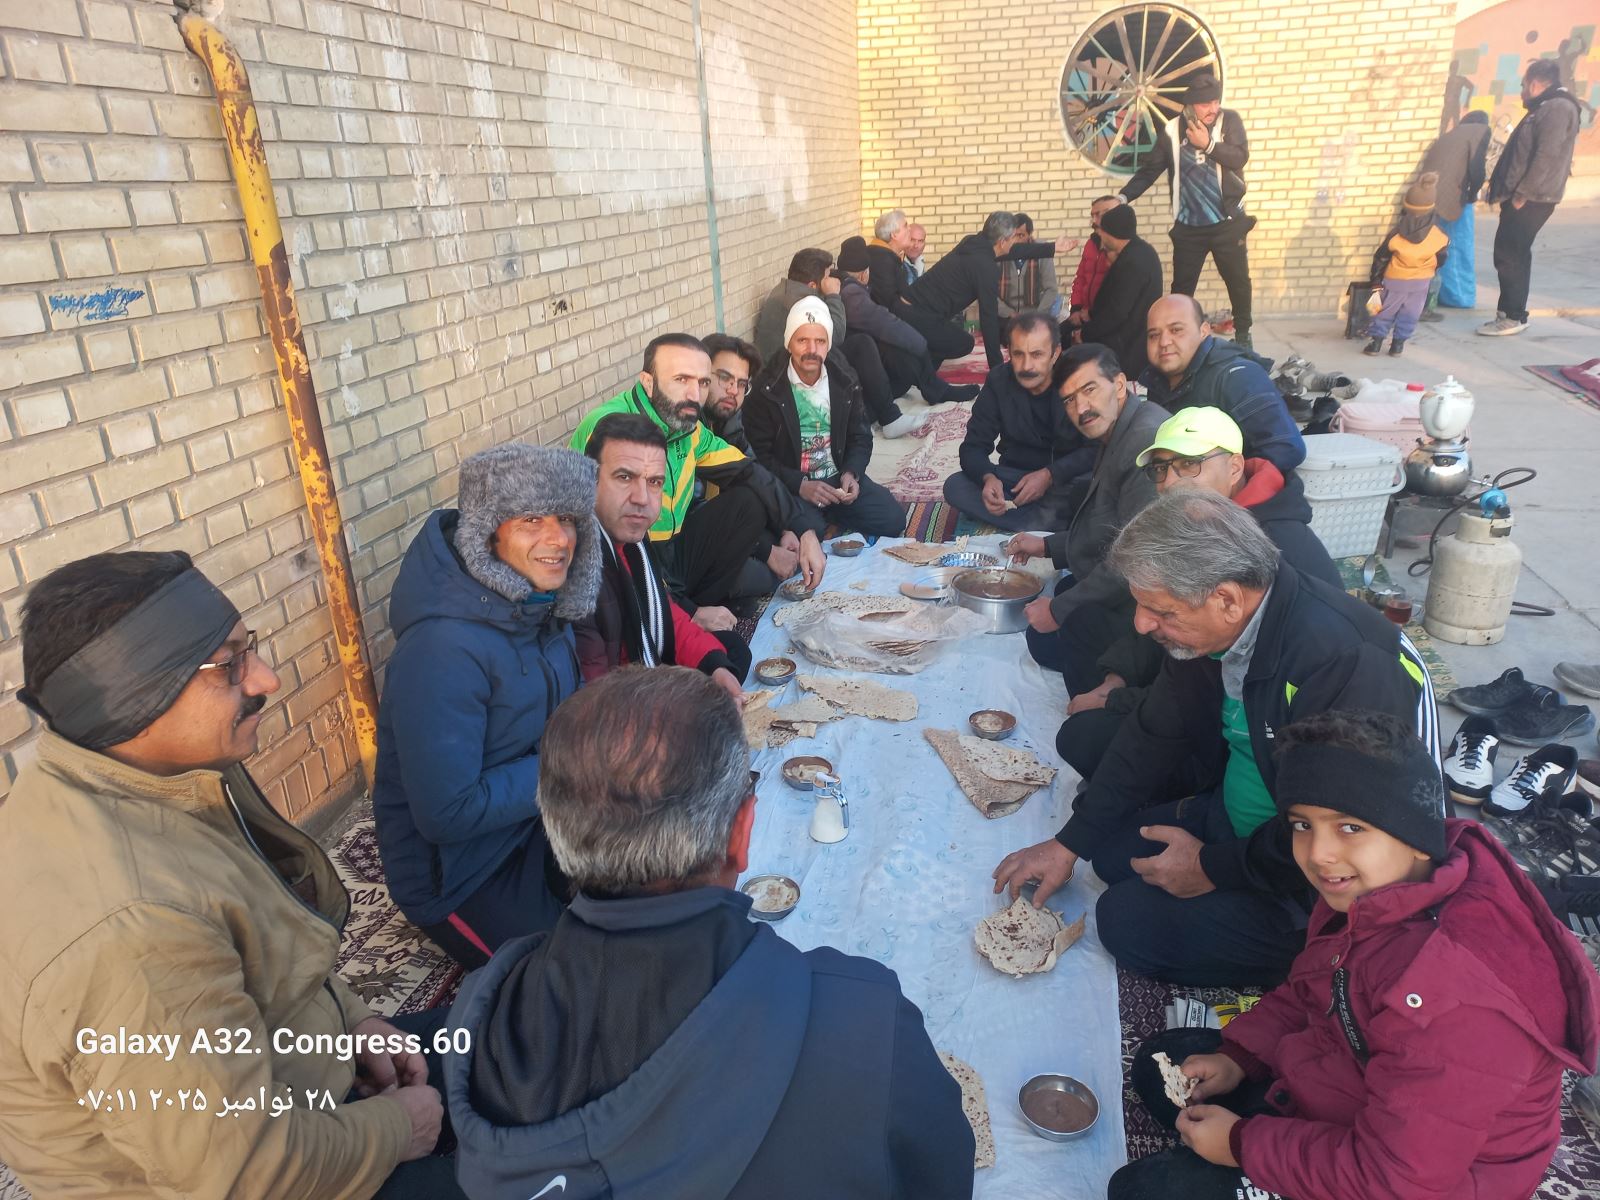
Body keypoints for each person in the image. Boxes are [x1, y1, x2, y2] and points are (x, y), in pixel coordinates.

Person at [2, 551, 462, 1198]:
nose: (266, 678)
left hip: (295, 1083)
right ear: (136, 696)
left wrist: (354, 1021)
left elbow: (266, 948)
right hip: (255, 1172)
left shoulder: (160, 779)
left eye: (251, 649)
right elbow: (244, 1172)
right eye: (228, 664)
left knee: (519, 1035)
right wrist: (397, 1128)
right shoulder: (131, 929)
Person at [445, 666, 976, 1200]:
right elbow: (941, 1175)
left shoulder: (479, 1018)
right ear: (742, 834)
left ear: (557, 830)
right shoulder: (867, 1024)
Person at [1111, 711, 1600, 1200]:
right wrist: (1241, 1057)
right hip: (1352, 1088)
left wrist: (1241, 1144)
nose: (1318, 853)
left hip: (1415, 1179)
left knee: (1145, 1192)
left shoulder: (1457, 1001)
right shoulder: (1372, 892)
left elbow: (1396, 1180)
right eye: (1302, 824)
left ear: (1415, 835)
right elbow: (1309, 991)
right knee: (1166, 1063)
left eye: (1350, 827)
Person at [993, 491, 1440, 989]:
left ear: (1226, 599)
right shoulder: (1218, 628)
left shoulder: (1344, 664)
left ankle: (1316, 961)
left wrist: (1211, 867)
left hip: (1315, 876)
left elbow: (1345, 838)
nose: (1141, 624)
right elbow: (1154, 733)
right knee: (1109, 853)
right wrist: (1068, 843)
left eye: (1160, 611)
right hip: (1242, 815)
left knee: (1124, 920)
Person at [375, 442, 600, 967]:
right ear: (488, 534)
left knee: (656, 883)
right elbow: (447, 812)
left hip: (537, 820)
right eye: (530, 520)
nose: (558, 539)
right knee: (574, 979)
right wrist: (575, 764)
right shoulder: (441, 649)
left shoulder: (541, 608)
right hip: (465, 873)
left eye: (567, 519)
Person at [1058, 407, 1344, 782]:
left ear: (1235, 467)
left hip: (1239, 721)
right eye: (1161, 469)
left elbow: (1207, 681)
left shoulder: (1269, 551)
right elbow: (1163, 613)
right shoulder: (1195, 519)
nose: (1170, 482)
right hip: (1186, 658)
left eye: (1188, 464)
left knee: (1081, 738)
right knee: (1080, 622)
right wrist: (1117, 677)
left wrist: (1116, 701)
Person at [568, 333, 825, 609]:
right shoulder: (611, 429)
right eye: (681, 379)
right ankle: (683, 612)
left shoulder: (688, 427)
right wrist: (690, 613)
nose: (694, 396)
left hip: (673, 551)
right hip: (625, 566)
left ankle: (696, 606)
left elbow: (748, 471)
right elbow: (604, 540)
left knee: (750, 501)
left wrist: (803, 530)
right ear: (648, 382)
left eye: (702, 383)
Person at [1009, 343, 1166, 695]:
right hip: (1136, 577)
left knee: (1057, 626)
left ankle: (1111, 697)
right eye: (1069, 399)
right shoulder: (1121, 426)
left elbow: (1134, 561)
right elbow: (1110, 524)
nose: (1081, 408)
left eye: (1090, 389)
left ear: (1120, 384)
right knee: (1065, 591)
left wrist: (1059, 612)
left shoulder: (1144, 443)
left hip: (1153, 606)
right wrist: (1047, 546)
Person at [577, 413, 751, 697]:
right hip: (620, 701)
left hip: (643, 670)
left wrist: (714, 665)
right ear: (590, 480)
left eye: (655, 482)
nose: (642, 498)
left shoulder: (630, 541)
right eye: (624, 477)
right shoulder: (578, 566)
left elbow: (662, 611)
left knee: (729, 655)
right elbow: (596, 694)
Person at [745, 296, 908, 538]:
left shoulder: (844, 378)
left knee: (893, 520)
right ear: (789, 343)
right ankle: (820, 517)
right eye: (802, 340)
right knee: (809, 532)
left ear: (828, 344)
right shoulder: (766, 389)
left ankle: (831, 511)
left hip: (837, 478)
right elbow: (759, 456)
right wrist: (800, 485)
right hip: (794, 486)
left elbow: (860, 436)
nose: (812, 350)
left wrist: (851, 473)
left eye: (820, 341)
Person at [1117, 75, 1256, 349]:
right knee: (1181, 289)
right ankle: (1178, 338)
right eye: (1206, 104)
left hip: (1227, 222)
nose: (1213, 108)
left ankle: (1243, 335)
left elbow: (1240, 157)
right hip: (1189, 227)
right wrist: (1122, 197)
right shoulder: (1172, 130)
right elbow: (1150, 170)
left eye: (1216, 101)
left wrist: (1209, 145)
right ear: (1190, 105)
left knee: (1238, 280)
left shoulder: (1229, 121)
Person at [943, 312, 1095, 531]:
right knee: (955, 487)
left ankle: (1038, 520)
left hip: (1066, 478)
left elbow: (1096, 448)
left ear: (1055, 354)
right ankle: (1055, 523)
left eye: (1036, 354)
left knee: (1094, 490)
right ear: (1009, 353)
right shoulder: (999, 381)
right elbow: (973, 446)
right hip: (1016, 480)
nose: (1026, 366)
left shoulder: (1078, 381)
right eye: (1018, 354)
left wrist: (1050, 475)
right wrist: (988, 478)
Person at [1142, 294, 1305, 474]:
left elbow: (1286, 449)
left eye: (1176, 330)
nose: (1164, 342)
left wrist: (1225, 479)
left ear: (1204, 331)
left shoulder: (1237, 377)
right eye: (1154, 335)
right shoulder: (1158, 378)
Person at [1479, 58, 1582, 337]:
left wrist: (1522, 194)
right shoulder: (1548, 106)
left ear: (1535, 84)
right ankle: (1510, 313)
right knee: (1512, 254)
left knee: (1510, 255)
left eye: (1523, 85)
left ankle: (1512, 316)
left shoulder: (1557, 108)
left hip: (1533, 198)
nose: (1522, 91)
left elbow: (1546, 155)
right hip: (1529, 196)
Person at [906, 210, 1075, 369]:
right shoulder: (985, 267)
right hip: (923, 315)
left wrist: (1052, 247)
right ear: (1002, 242)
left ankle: (922, 373)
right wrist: (997, 367)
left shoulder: (974, 243)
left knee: (944, 341)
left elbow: (1014, 250)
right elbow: (988, 318)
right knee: (962, 342)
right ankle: (920, 372)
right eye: (1013, 238)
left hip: (912, 305)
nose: (1015, 242)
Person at [835, 235, 956, 434]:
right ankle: (885, 417)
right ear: (864, 274)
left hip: (848, 362)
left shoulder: (843, 286)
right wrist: (920, 344)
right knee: (884, 347)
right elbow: (883, 322)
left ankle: (870, 414)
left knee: (902, 370)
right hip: (847, 366)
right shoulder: (851, 294)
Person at [1363, 172, 1449, 358]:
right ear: (1431, 207)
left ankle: (1375, 343)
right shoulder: (1439, 235)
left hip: (1395, 279)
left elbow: (1381, 258)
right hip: (1421, 282)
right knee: (1411, 313)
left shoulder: (1397, 234)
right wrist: (1429, 269)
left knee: (1382, 309)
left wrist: (1375, 280)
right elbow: (1442, 258)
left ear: (1407, 206)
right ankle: (1397, 346)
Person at [1075, 203, 1163, 379]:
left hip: (1127, 351)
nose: (1100, 237)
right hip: (1125, 346)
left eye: (1102, 232)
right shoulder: (1137, 253)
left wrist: (1085, 334)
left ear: (1112, 233)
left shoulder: (1134, 261)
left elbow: (1117, 311)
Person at [1420, 110, 1490, 309]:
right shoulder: (1480, 132)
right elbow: (1477, 169)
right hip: (1452, 200)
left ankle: (1436, 295)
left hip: (1431, 196)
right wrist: (1473, 193)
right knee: (1455, 248)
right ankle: (1458, 297)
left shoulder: (1451, 136)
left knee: (1436, 248)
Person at [752, 247, 845, 362]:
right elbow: (836, 336)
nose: (830, 280)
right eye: (826, 278)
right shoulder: (801, 303)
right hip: (782, 368)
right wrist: (833, 295)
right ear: (812, 286)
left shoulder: (785, 289)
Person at [1064, 194, 1119, 331]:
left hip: (1105, 318)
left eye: (1100, 214)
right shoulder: (1091, 243)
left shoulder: (1121, 247)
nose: (1095, 220)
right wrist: (1075, 308)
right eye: (1093, 215)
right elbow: (1080, 278)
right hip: (1083, 314)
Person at [702, 330, 761, 453]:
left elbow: (749, 461)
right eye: (724, 378)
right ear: (702, 376)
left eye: (742, 384)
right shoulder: (683, 429)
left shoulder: (732, 421)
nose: (734, 391)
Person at [998, 212, 1062, 321]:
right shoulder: (1001, 252)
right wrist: (1008, 313)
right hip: (1004, 315)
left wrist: (1038, 315)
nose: (1016, 241)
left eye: (1021, 235)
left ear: (1030, 235)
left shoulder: (1042, 251)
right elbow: (989, 292)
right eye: (1013, 236)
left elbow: (1051, 289)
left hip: (1035, 315)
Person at [867, 207, 917, 312]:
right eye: (905, 226)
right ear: (894, 234)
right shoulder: (882, 262)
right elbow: (890, 304)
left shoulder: (884, 256)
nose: (909, 229)